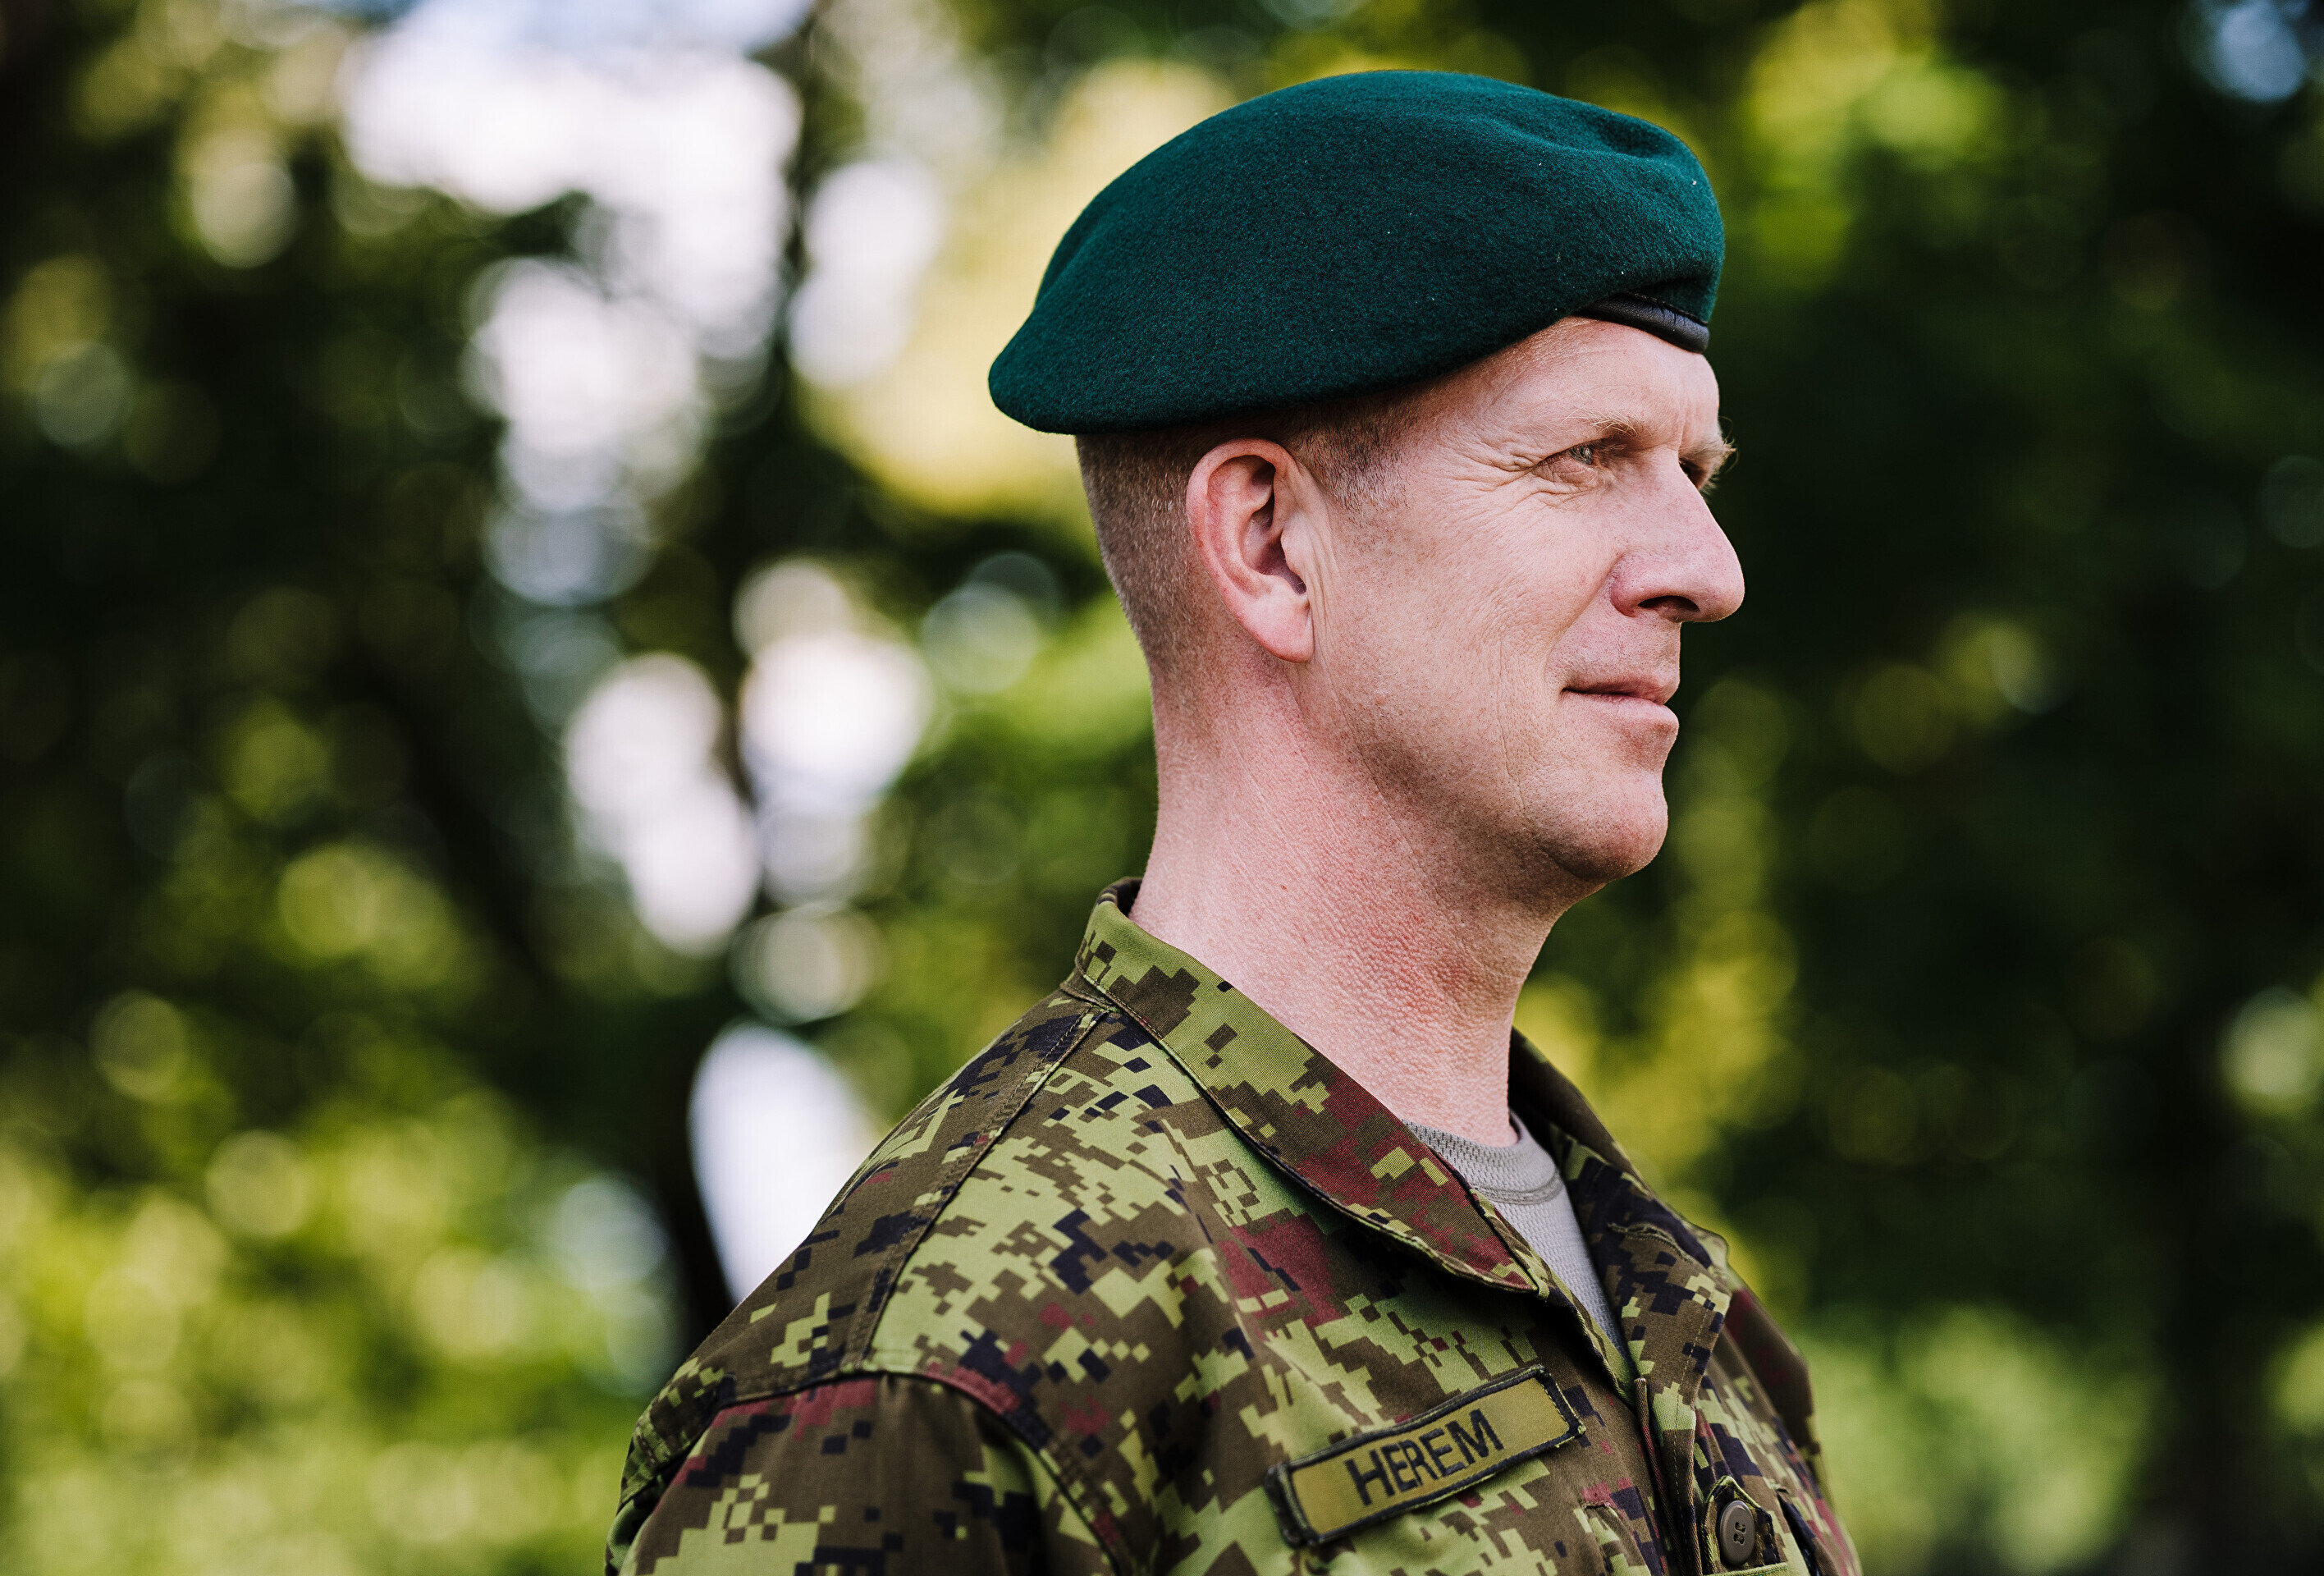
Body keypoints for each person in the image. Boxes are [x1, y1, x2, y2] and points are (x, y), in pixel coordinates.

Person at [606, 70, 1856, 1575]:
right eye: (1586, 459)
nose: (1707, 571)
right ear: (1269, 545)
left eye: (1696, 473)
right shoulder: (941, 1375)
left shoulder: (1682, 1313)